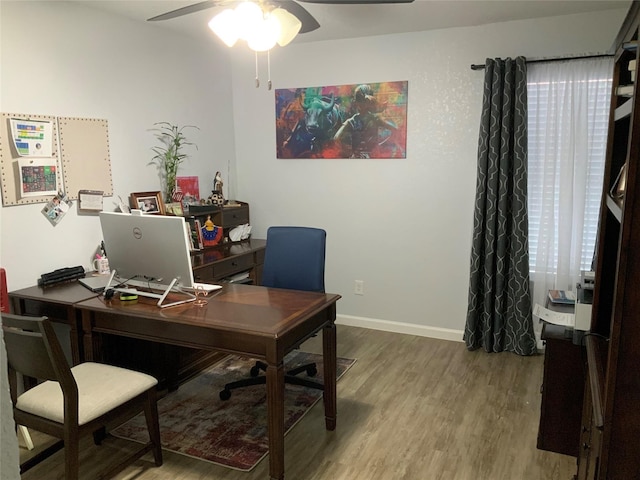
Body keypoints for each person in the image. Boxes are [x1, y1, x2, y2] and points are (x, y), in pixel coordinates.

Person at [333, 84, 398, 158]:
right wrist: (381, 146)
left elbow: (336, 138)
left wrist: (349, 153)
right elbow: (395, 130)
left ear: (355, 102)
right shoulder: (375, 119)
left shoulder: (352, 121)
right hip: (373, 157)